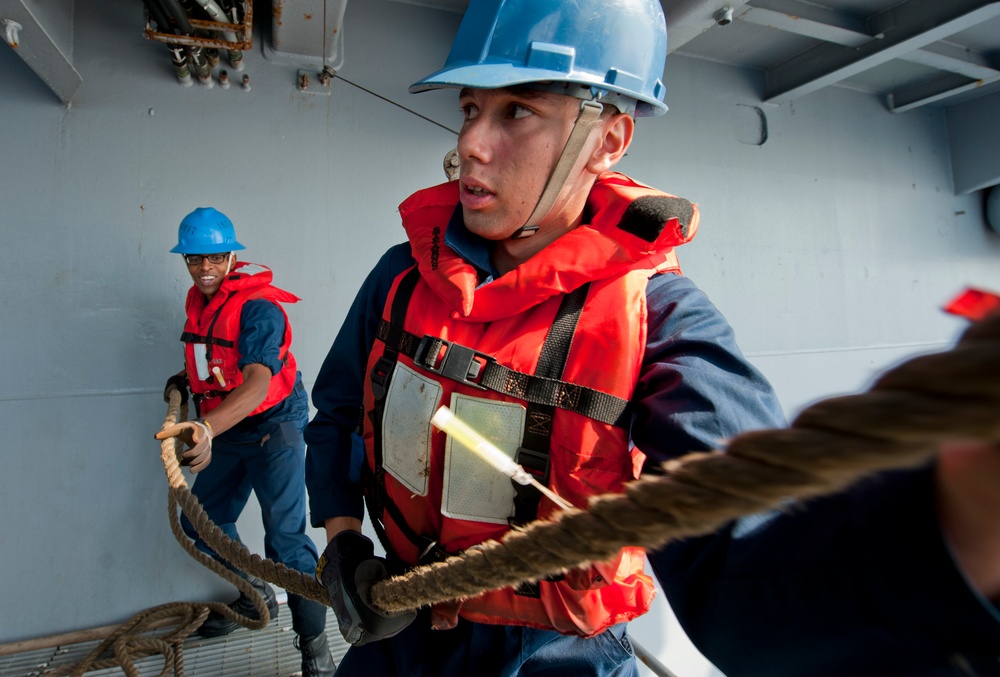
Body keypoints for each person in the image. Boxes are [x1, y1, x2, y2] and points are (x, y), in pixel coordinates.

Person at [304, 1, 1000, 676]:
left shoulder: (659, 320)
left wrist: (957, 534)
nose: (472, 143)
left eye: (518, 110)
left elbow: (743, 570)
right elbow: (336, 411)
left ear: (608, 140)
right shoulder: (403, 275)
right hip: (392, 633)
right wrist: (342, 543)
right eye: (469, 109)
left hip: (552, 657)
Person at [156, 207, 335, 677]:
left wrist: (209, 427)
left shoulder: (259, 308)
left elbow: (256, 382)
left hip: (272, 426)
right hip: (228, 424)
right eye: (195, 260)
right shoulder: (200, 300)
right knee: (203, 523)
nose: (206, 269)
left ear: (233, 255)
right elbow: (217, 360)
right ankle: (257, 596)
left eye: (215, 258)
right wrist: (182, 381)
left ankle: (315, 646)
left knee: (286, 541)